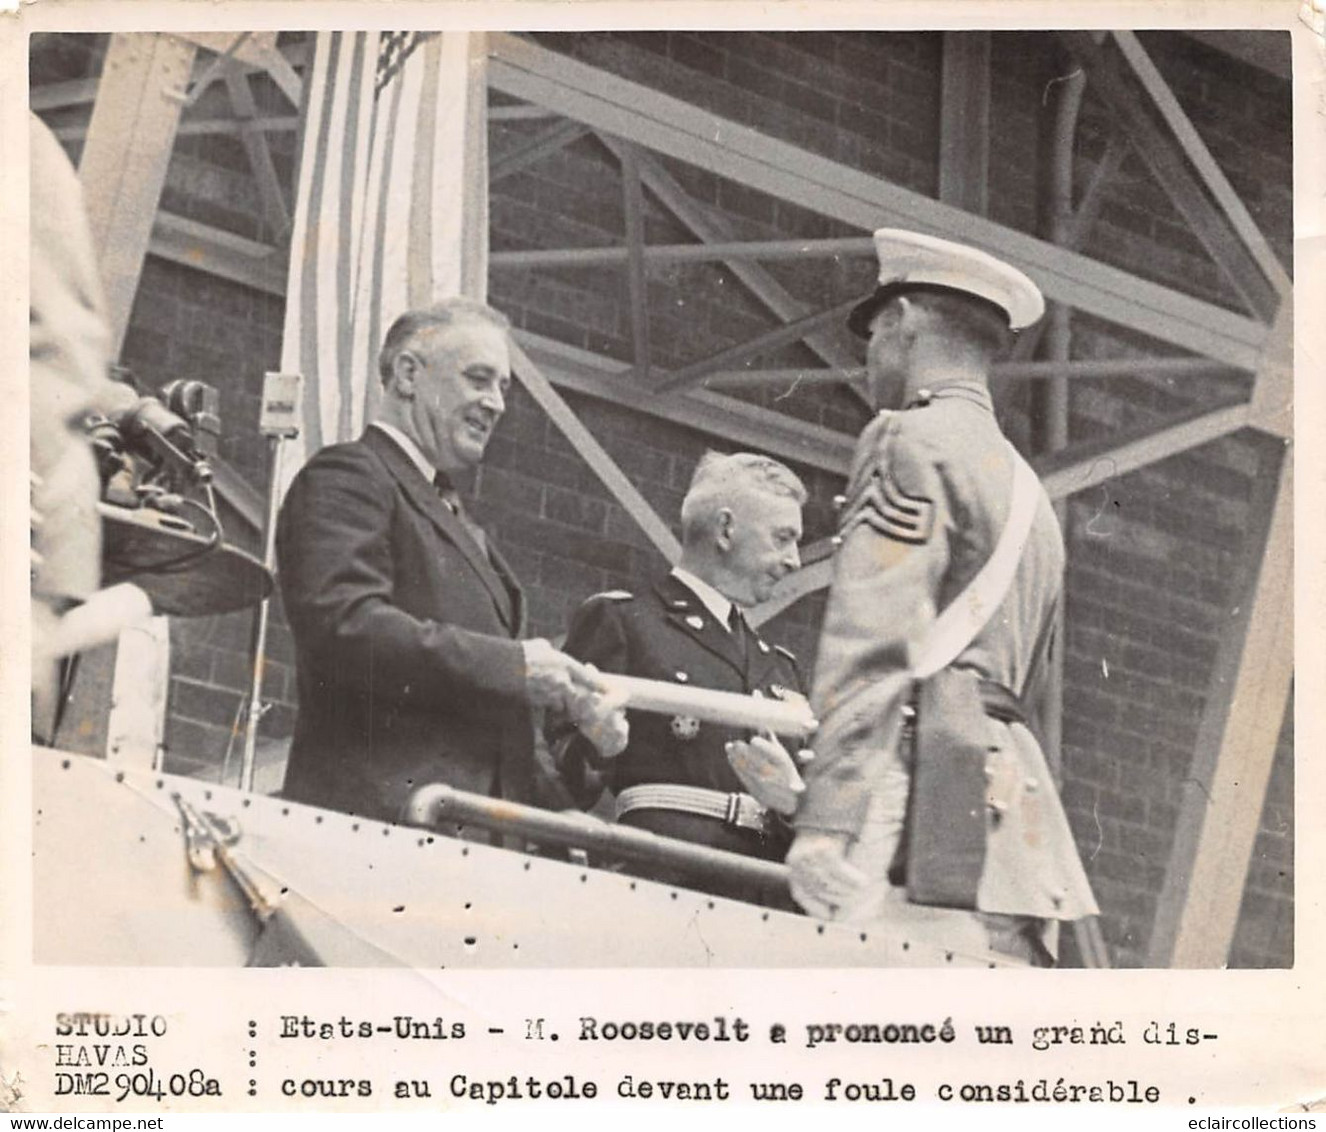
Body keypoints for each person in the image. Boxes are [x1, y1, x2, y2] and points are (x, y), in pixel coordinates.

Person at [787, 229, 1097, 964]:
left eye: (872, 337)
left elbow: (874, 638)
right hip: (1013, 831)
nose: (868, 360)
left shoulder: (908, 441)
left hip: (915, 806)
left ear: (902, 323)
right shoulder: (1031, 494)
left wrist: (827, 819)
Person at [275, 299, 624, 824]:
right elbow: (342, 630)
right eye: (478, 379)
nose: (497, 403)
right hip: (379, 828)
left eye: (503, 388)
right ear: (409, 375)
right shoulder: (350, 476)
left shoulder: (460, 523)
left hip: (467, 846)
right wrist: (513, 666)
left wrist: (563, 801)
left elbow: (496, 733)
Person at [553, 452, 810, 899]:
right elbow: (556, 779)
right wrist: (597, 744)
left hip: (766, 892)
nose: (795, 561)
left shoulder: (781, 666)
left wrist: (792, 803)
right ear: (726, 530)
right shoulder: (626, 620)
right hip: (663, 880)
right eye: (783, 538)